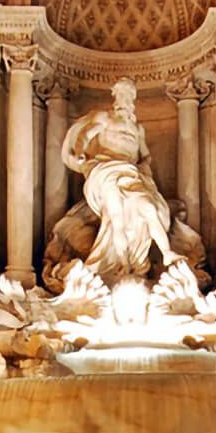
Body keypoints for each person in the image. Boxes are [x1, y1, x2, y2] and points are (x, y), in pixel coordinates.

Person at [62, 77, 182, 286]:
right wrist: (80, 153)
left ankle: (167, 253)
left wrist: (145, 169)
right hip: (106, 170)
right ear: (115, 96)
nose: (126, 100)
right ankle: (123, 264)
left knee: (148, 208)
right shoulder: (104, 118)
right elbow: (85, 137)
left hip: (131, 174)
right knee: (116, 217)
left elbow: (145, 155)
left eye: (130, 95)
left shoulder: (138, 129)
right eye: (122, 94)